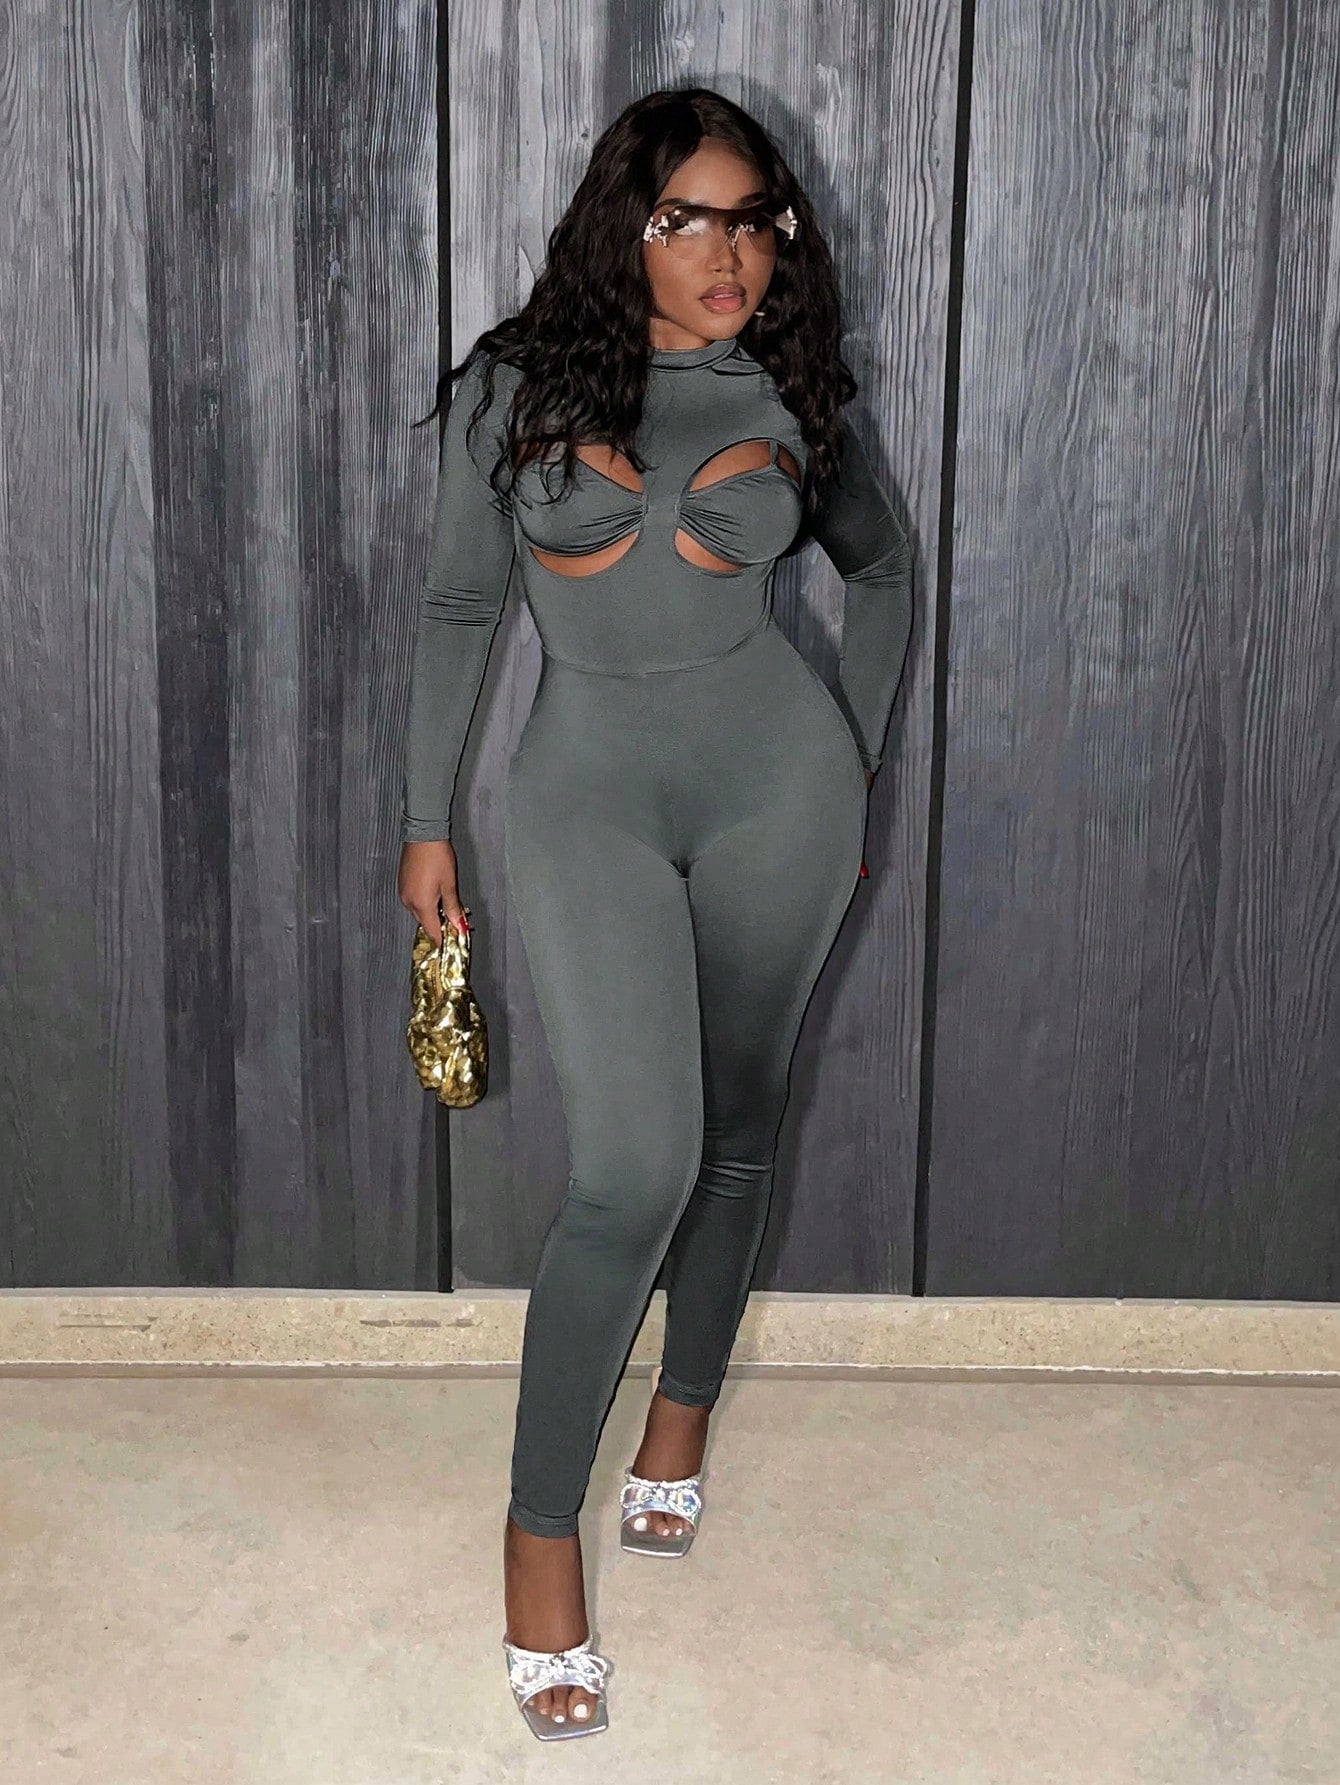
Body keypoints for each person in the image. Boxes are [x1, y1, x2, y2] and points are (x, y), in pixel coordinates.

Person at [397, 86, 912, 1741]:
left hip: (781, 796)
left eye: (753, 220)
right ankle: (538, 1529)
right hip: (586, 803)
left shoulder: (794, 390)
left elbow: (884, 575)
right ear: (623, 227)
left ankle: (679, 1419)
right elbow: (460, 602)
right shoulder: (513, 387)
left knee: (743, 1124)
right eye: (687, 219)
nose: (727, 255)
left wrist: (857, 770)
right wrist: (423, 818)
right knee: (632, 1167)